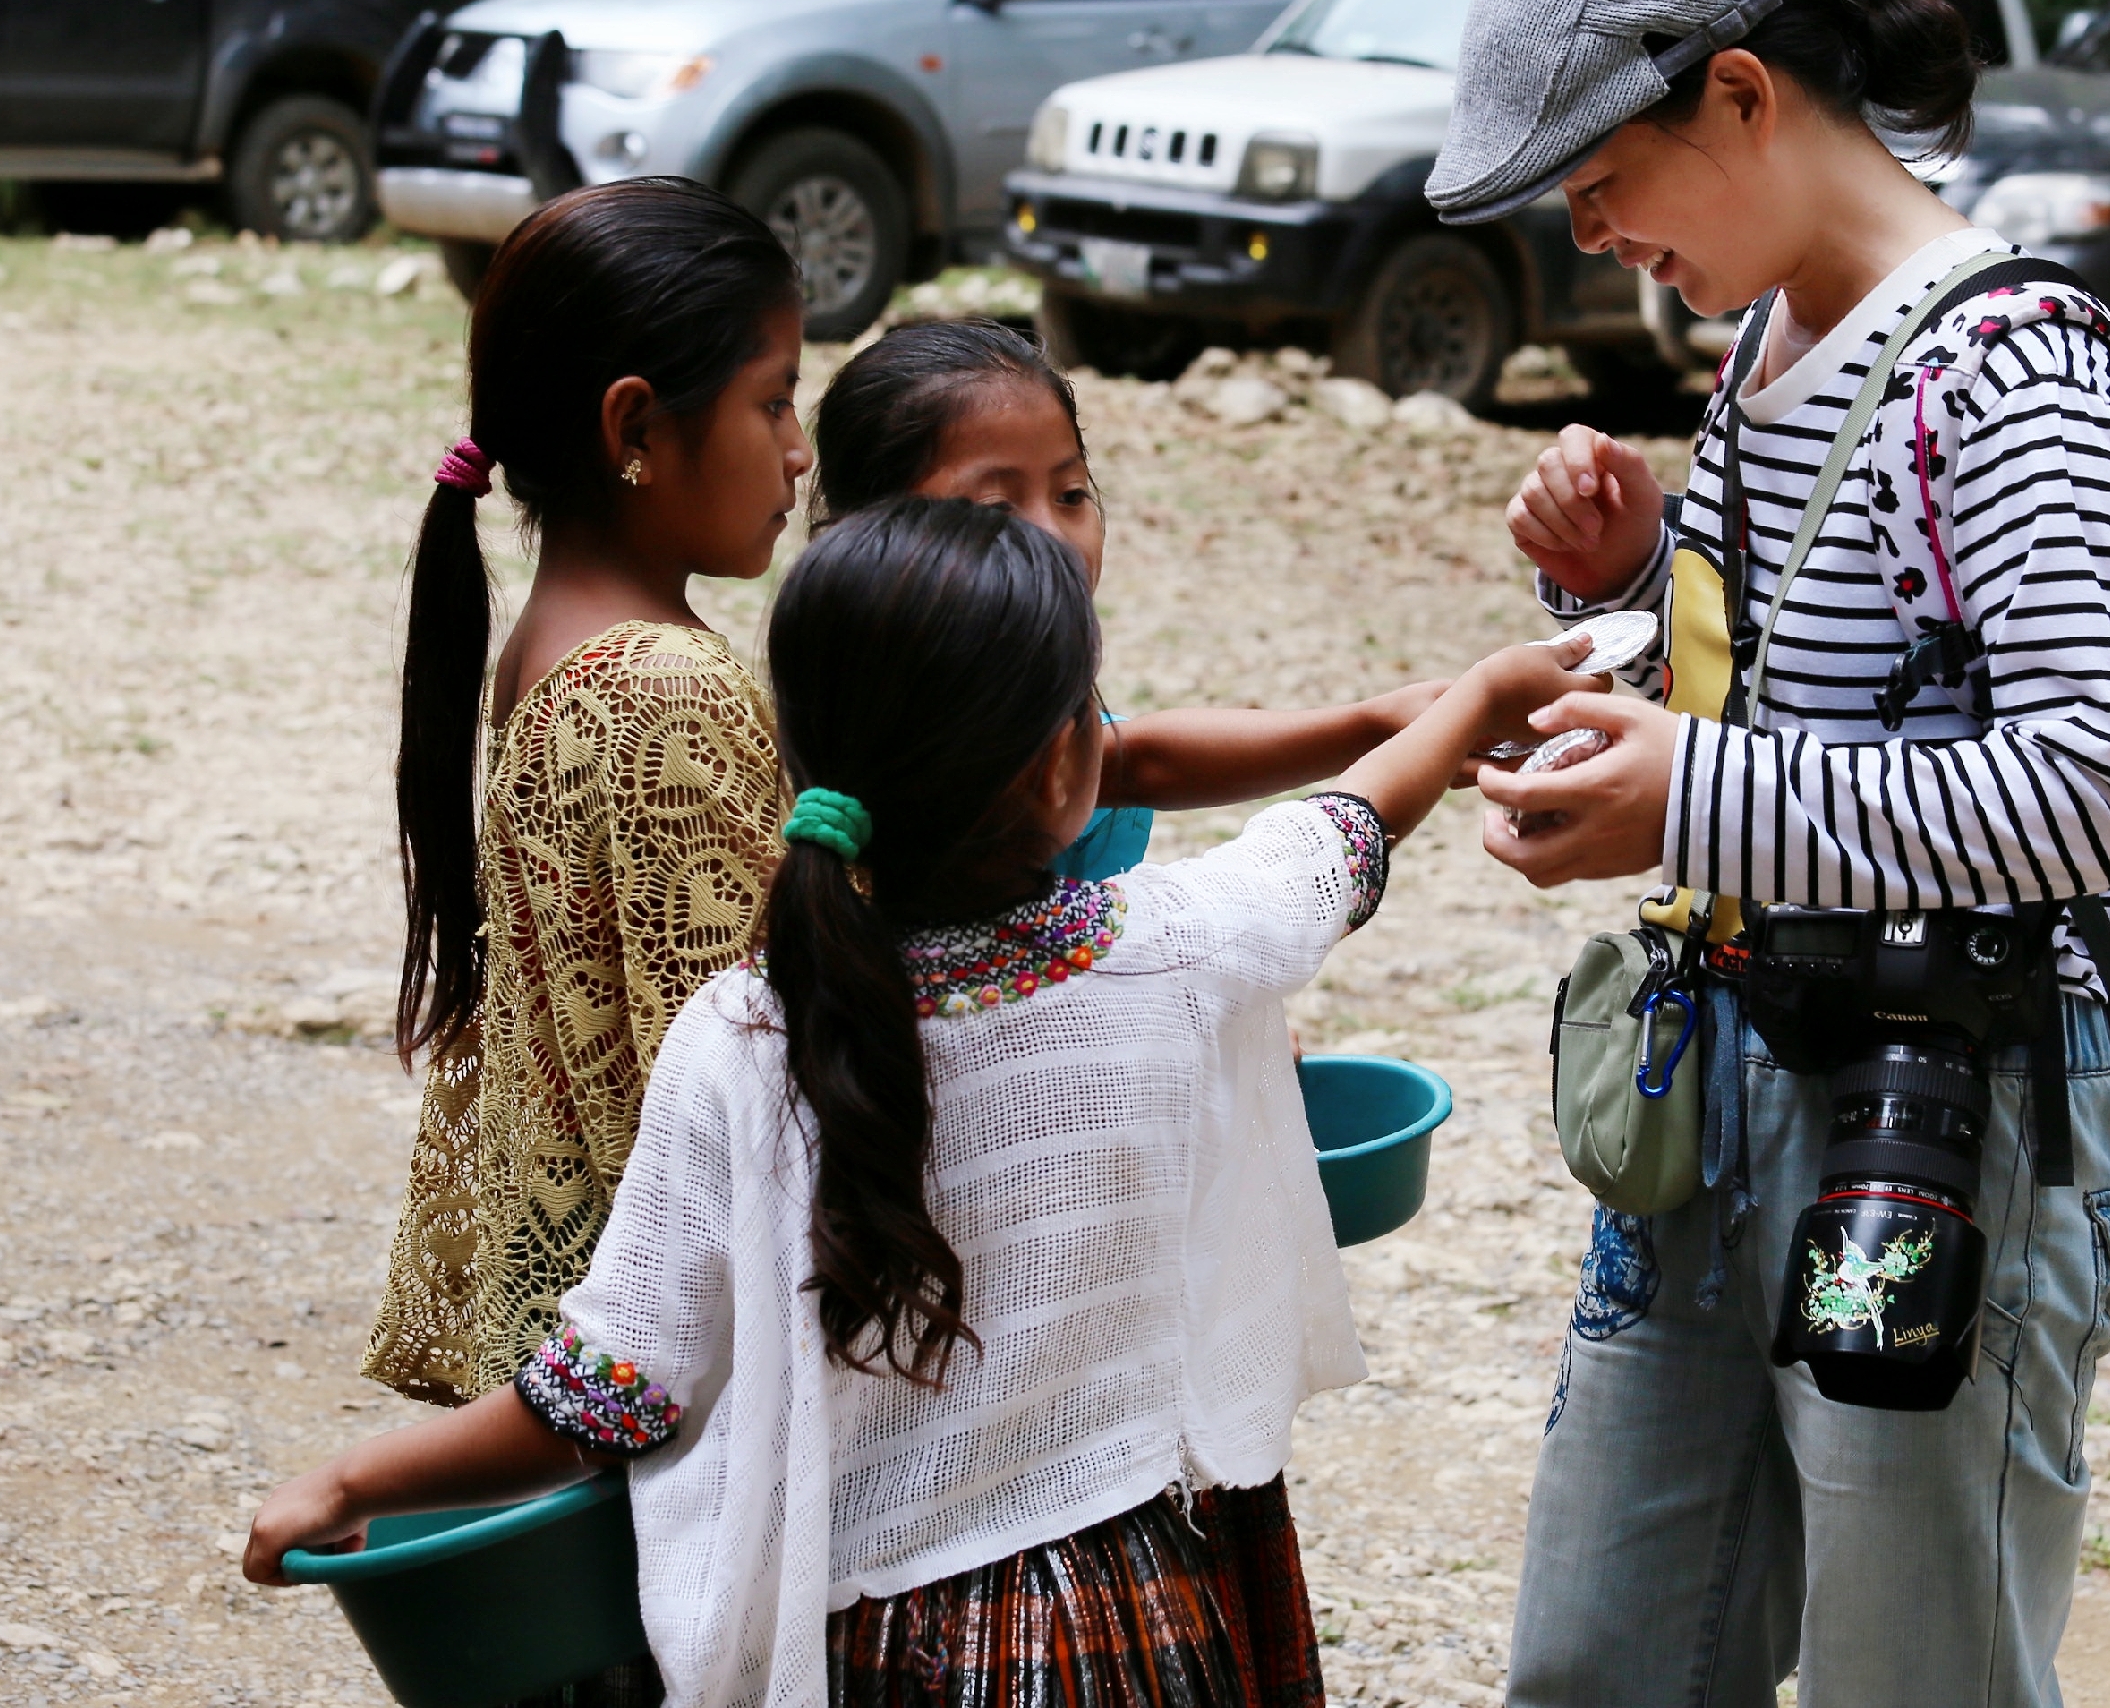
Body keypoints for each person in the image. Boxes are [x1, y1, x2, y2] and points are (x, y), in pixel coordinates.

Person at [247, 497, 1603, 1708]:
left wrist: (359, 1477)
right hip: (1140, 1616)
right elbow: (1344, 832)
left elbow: (606, 1397)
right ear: (1064, 765)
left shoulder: (745, 1041)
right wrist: (1476, 698)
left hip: (877, 1650)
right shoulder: (1177, 946)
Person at [1435, 0, 2110, 1707]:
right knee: (1599, 1660)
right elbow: (1824, 690)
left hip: (1950, 1108)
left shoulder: (2012, 368)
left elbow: (2100, 780)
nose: (1591, 240)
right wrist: (1626, 582)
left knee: (1912, 1677)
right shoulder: (1771, 330)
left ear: (1743, 98)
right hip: (1727, 1080)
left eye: (1601, 185)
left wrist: (1685, 794)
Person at [362, 178, 807, 1425]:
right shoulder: (663, 688)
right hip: (671, 1365)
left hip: (593, 1320)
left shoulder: (554, 646)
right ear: (636, 424)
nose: (799, 448)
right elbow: (748, 1061)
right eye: (774, 398)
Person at [807, 318, 1452, 878]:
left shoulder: (1021, 691)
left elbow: (1137, 762)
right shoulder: (897, 726)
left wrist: (1377, 724)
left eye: (1071, 495)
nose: (1055, 538)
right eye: (997, 506)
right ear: (867, 536)